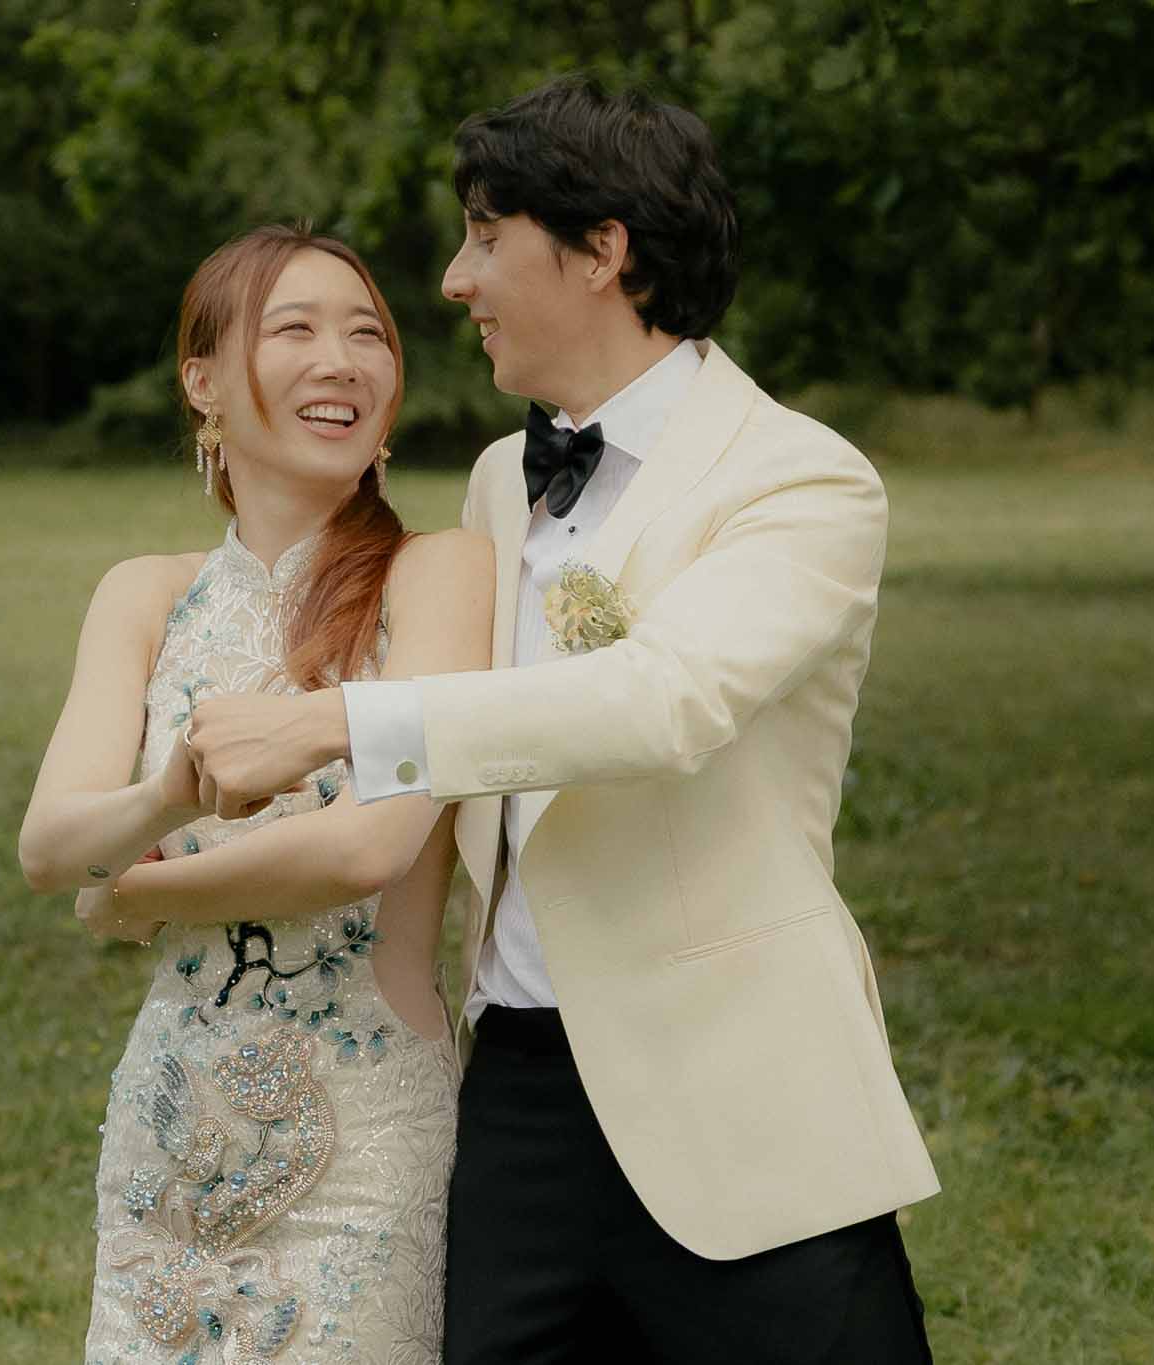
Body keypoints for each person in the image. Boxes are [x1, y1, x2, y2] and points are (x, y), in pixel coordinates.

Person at [182, 77, 941, 1362]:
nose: (451, 278)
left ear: (601, 251)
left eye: (485, 234)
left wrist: (336, 728)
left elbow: (664, 701)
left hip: (737, 1090)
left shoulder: (801, 477)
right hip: (516, 1094)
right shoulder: (496, 479)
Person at [17, 223, 493, 1365]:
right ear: (202, 383)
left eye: (366, 334)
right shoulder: (143, 594)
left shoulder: (439, 571)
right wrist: (166, 798)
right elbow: (46, 845)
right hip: (167, 1136)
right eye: (296, 330)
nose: (342, 361)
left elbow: (369, 845)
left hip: (364, 1139)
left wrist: (131, 894)